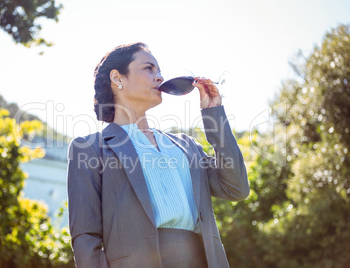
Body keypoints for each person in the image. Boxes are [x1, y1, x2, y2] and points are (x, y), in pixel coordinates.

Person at [67, 42, 249, 268]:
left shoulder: (185, 145)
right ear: (117, 78)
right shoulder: (89, 148)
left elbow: (236, 188)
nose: (160, 77)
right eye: (149, 68)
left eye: (160, 71)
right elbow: (86, 238)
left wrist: (213, 116)